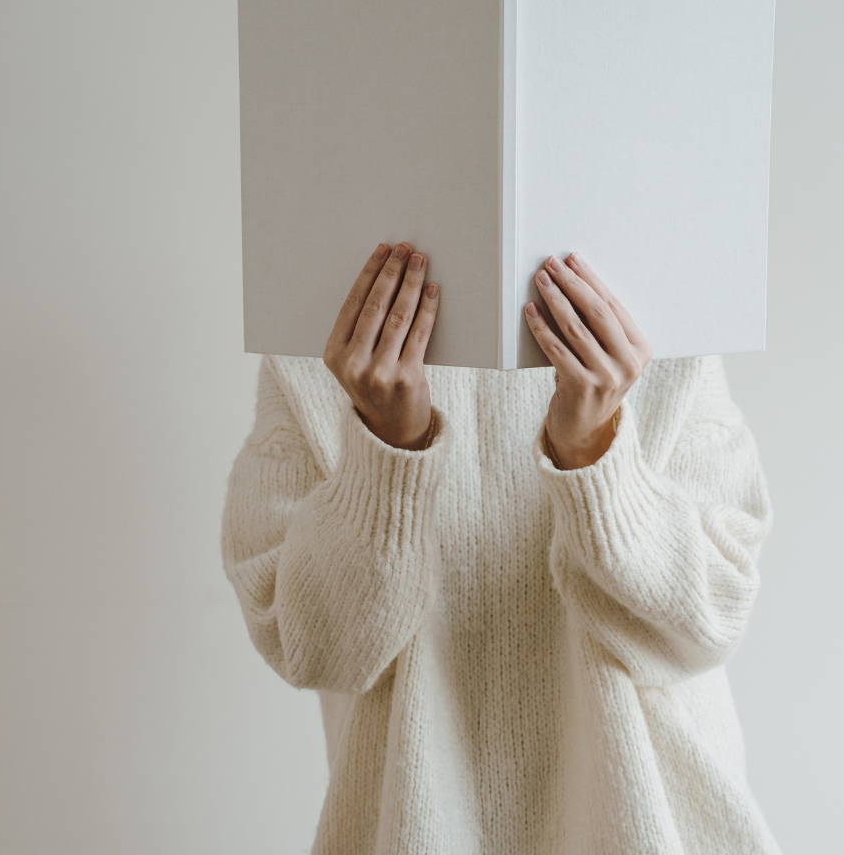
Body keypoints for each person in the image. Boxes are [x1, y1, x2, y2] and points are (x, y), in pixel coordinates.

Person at [221, 241, 782, 855]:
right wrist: (387, 451)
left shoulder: (660, 313)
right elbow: (314, 649)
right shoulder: (332, 346)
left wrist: (593, 453)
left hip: (652, 824)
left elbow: (712, 617)